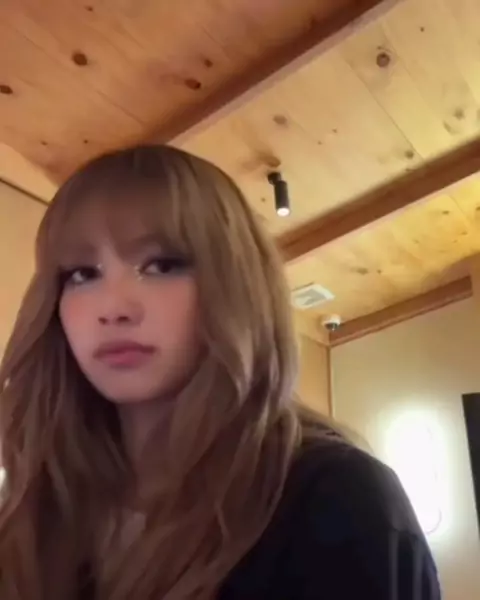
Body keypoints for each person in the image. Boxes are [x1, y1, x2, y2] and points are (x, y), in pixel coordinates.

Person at [0, 145, 441, 600]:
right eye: (82, 273)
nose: (112, 308)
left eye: (161, 265)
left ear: (236, 285)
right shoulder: (38, 507)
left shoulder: (339, 499)